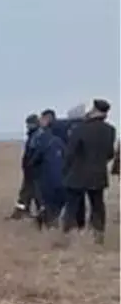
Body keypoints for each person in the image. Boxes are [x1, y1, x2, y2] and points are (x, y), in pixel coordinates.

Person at [59, 99, 116, 245]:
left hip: (77, 174)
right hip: (98, 175)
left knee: (72, 207)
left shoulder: (80, 129)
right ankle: (98, 236)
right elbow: (110, 153)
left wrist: (65, 170)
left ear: (94, 111)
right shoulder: (110, 130)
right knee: (98, 206)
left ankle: (68, 237)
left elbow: (70, 153)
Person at [29, 110, 66, 229]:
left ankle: (49, 226)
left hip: (46, 177)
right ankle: (53, 224)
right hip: (61, 177)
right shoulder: (61, 138)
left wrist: (30, 164)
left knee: (47, 203)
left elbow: (36, 157)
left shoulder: (43, 138)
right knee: (57, 204)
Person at [12, 114, 42, 219]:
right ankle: (23, 212)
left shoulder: (37, 135)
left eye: (29, 124)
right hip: (30, 169)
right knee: (28, 192)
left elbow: (34, 152)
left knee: (33, 192)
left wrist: (30, 164)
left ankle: (41, 214)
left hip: (33, 169)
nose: (27, 126)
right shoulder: (33, 135)